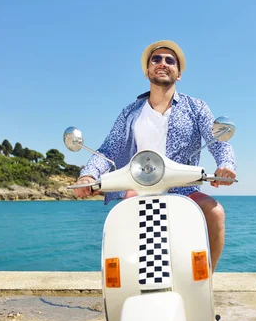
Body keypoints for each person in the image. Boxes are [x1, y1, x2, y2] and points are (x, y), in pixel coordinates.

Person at [73, 40, 236, 272]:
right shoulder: (130, 112)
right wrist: (88, 175)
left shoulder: (196, 107)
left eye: (170, 61)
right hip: (137, 188)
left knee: (215, 212)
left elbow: (217, 139)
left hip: (183, 188)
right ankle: (126, 286)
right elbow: (108, 148)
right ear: (147, 70)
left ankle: (205, 280)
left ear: (178, 74)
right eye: (156, 59)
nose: (163, 63)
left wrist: (225, 165)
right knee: (121, 227)